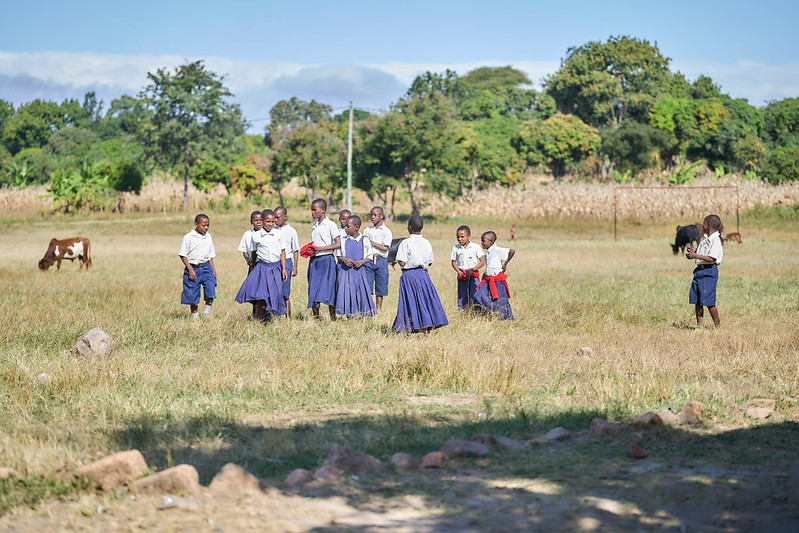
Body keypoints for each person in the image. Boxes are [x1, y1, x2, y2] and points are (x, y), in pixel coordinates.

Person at [392, 214, 448, 333]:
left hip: (409, 276)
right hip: (423, 275)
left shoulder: (405, 243)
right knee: (424, 301)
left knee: (410, 302)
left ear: (409, 227)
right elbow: (430, 262)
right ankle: (425, 329)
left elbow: (401, 262)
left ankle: (405, 328)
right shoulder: (427, 242)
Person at [234, 209, 288, 321]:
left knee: (275, 294)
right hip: (262, 267)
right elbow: (254, 252)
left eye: (273, 222)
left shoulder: (279, 233)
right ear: (263, 221)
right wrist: (253, 265)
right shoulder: (257, 235)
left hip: (275, 267)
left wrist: (283, 269)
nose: (271, 224)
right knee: (260, 296)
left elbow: (282, 252)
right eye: (268, 222)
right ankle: (258, 321)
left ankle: (274, 320)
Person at [685, 214, 724, 329]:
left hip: (709, 272)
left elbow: (712, 258)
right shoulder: (705, 238)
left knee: (709, 302)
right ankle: (699, 327)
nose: (702, 225)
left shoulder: (715, 240)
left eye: (704, 223)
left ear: (709, 225)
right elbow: (706, 252)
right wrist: (695, 250)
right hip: (699, 271)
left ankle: (718, 326)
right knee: (697, 300)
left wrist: (695, 255)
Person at [335, 215, 377, 318]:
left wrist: (362, 261)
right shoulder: (343, 239)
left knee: (360, 291)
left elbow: (370, 256)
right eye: (345, 226)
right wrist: (344, 259)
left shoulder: (364, 239)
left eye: (348, 226)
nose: (345, 228)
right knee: (347, 291)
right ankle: (349, 314)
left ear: (356, 227)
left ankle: (360, 314)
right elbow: (339, 254)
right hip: (346, 271)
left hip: (359, 271)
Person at [178, 214, 217, 319]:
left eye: (208, 225)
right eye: (204, 225)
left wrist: (213, 270)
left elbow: (210, 256)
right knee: (192, 294)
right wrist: (190, 270)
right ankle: (194, 317)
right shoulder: (188, 237)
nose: (206, 228)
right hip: (193, 268)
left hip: (206, 268)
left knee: (211, 291)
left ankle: (206, 314)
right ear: (196, 224)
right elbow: (182, 255)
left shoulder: (208, 237)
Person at [307, 198, 341, 319]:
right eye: (311, 210)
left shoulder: (331, 225)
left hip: (327, 260)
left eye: (314, 210)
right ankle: (316, 318)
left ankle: (333, 317)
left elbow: (338, 244)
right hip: (315, 260)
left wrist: (320, 249)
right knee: (314, 288)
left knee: (329, 289)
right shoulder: (315, 226)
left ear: (323, 210)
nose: (312, 212)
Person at [473, 231, 515, 320]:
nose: (481, 243)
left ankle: (504, 318)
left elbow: (511, 251)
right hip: (488, 279)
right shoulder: (487, 253)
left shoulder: (496, 250)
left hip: (497, 281)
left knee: (501, 300)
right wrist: (484, 275)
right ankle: (489, 312)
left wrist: (505, 264)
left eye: (483, 241)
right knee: (478, 295)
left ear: (491, 241)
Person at [363, 206, 393, 312]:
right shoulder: (367, 230)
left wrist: (373, 243)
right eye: (371, 215)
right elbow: (364, 244)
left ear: (381, 216)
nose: (372, 217)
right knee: (367, 285)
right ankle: (368, 308)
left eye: (375, 215)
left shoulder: (386, 231)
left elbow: (385, 247)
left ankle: (378, 310)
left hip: (381, 260)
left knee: (381, 286)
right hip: (369, 260)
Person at [451, 225, 485, 310]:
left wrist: (473, 269)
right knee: (462, 295)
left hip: (473, 274)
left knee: (475, 294)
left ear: (469, 236)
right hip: (462, 274)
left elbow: (482, 261)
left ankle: (476, 312)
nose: (460, 239)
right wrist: (459, 271)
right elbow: (453, 262)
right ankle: (463, 313)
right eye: (458, 237)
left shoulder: (475, 247)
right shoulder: (456, 248)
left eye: (462, 237)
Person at [274, 206, 299, 318]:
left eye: (278, 218)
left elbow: (295, 250)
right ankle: (275, 315)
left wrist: (295, 266)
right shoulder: (273, 230)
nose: (275, 220)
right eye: (274, 218)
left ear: (285, 217)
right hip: (275, 262)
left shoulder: (291, 231)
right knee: (275, 290)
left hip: (287, 262)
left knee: (285, 292)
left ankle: (288, 317)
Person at [238, 210, 263, 317]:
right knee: (253, 291)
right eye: (255, 220)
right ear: (251, 222)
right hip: (253, 266)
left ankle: (265, 314)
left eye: (260, 220)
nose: (258, 222)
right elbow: (244, 251)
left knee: (263, 291)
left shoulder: (266, 233)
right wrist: (248, 260)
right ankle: (255, 314)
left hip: (264, 265)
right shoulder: (247, 234)